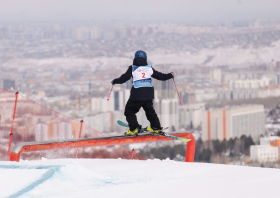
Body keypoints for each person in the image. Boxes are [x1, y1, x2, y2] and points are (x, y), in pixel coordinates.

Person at [111, 50, 174, 135]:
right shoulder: (149, 68)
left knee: (129, 111)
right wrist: (170, 75)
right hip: (149, 93)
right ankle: (156, 127)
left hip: (137, 94)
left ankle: (134, 128)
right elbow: (160, 76)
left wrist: (115, 81)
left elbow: (125, 78)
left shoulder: (132, 68)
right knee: (150, 110)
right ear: (145, 58)